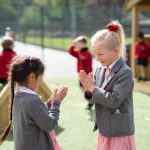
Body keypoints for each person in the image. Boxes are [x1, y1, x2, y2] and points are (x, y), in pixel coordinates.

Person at [79, 21, 136, 150]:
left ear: (115, 51)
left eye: (100, 54)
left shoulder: (125, 72)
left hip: (119, 131)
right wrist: (88, 90)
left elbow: (114, 100)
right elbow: (95, 96)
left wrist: (92, 88)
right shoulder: (100, 70)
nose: (97, 58)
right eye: (95, 54)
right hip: (104, 129)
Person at [0, 55, 68, 150]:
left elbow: (34, 113)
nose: (42, 80)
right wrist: (56, 103)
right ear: (32, 76)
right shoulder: (32, 100)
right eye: (41, 76)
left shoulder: (18, 95)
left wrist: (50, 102)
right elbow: (49, 124)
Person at [68, 35, 94, 110]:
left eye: (79, 44)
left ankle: (91, 99)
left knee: (86, 88)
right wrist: (73, 43)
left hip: (86, 74)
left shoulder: (87, 53)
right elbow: (71, 51)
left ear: (84, 44)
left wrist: (78, 51)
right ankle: (90, 100)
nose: (77, 46)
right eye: (77, 44)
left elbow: (83, 57)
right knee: (82, 88)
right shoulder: (79, 52)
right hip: (81, 74)